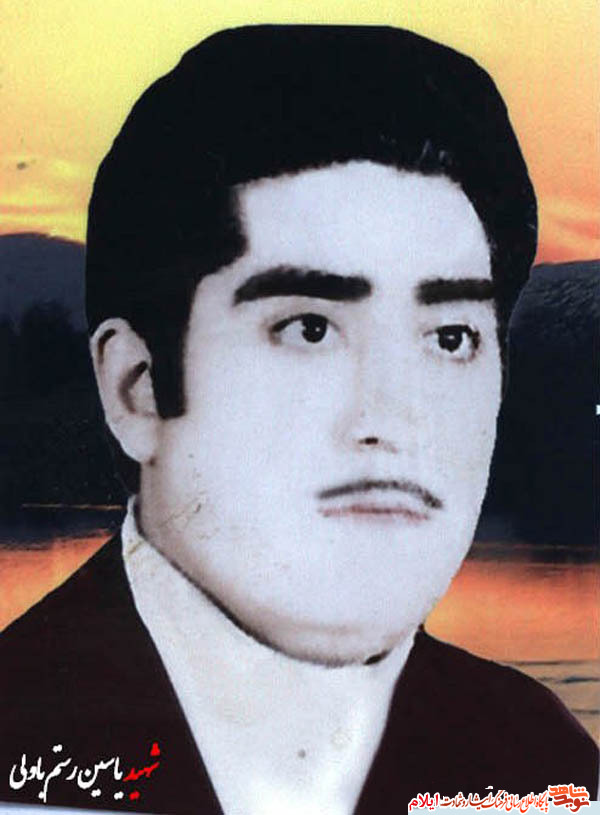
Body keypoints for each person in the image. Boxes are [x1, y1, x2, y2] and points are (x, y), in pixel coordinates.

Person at [1, 24, 597, 815]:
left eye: (451, 337)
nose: (392, 418)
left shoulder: (544, 769)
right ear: (136, 388)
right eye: (309, 328)